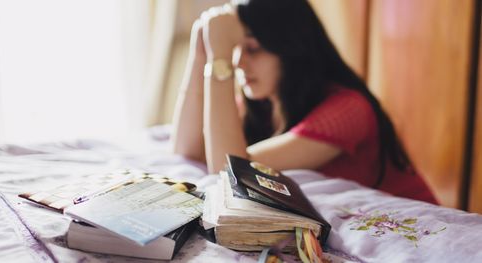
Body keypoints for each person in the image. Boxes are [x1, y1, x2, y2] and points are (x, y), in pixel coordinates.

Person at [171, 0, 438, 204]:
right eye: (235, 50)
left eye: (252, 49)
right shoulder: (265, 102)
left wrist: (220, 56)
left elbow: (229, 170)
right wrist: (200, 53)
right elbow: (186, 148)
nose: (238, 62)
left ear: (291, 49)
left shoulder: (349, 110)